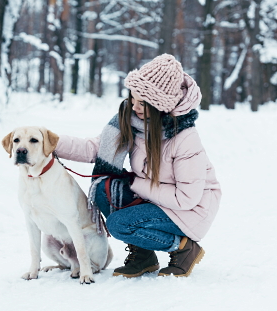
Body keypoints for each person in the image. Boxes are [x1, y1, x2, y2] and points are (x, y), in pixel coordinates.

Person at [54, 53, 221, 278]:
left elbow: (186, 198)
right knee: (105, 190)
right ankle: (143, 256)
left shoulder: (184, 137)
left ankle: (184, 248)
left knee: (119, 224)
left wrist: (135, 183)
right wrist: (50, 142)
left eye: (142, 103)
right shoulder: (132, 121)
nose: (134, 106)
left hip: (190, 210)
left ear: (159, 105)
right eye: (133, 98)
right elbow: (95, 148)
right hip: (155, 197)